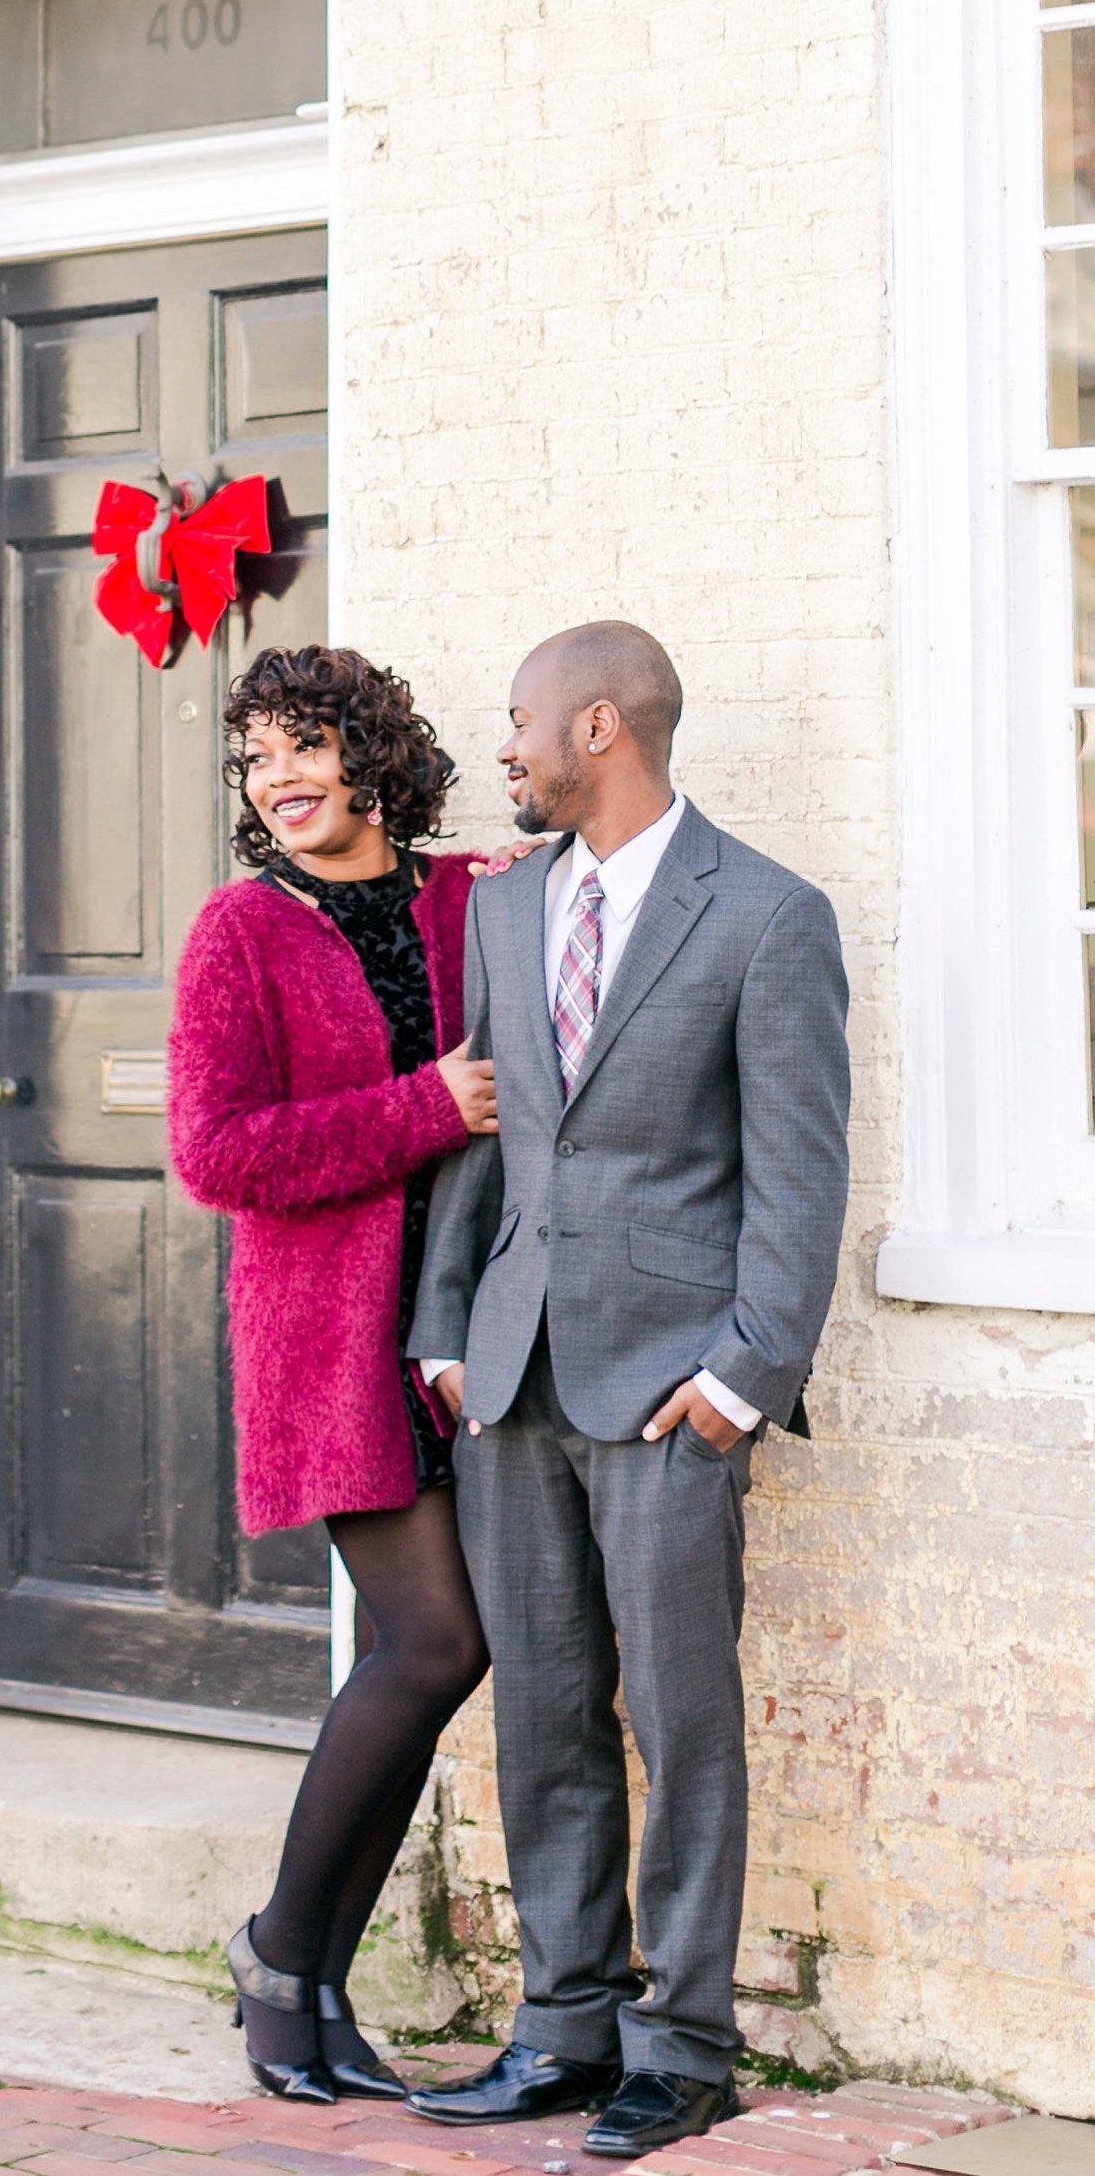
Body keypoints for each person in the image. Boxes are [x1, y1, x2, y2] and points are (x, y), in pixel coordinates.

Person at [410, 623, 849, 2161]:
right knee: (540, 1709)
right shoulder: (507, 903)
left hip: (673, 1387)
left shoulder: (770, 917)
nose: (507, 748)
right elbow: (488, 1130)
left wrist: (747, 1376)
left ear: (601, 724)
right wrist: (444, 1328)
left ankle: (684, 2046)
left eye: (522, 721)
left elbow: (801, 1173)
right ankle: (566, 2024)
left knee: (680, 1716)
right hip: (513, 1376)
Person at [169, 643, 503, 2105]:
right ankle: (276, 1946)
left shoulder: (461, 899)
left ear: (370, 749)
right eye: (255, 759)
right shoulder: (238, 934)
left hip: (472, 1326)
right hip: (331, 1343)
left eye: (304, 743)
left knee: (413, 1655)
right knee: (436, 1644)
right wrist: (423, 1105)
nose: (280, 779)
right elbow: (219, 1152)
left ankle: (307, 1984)